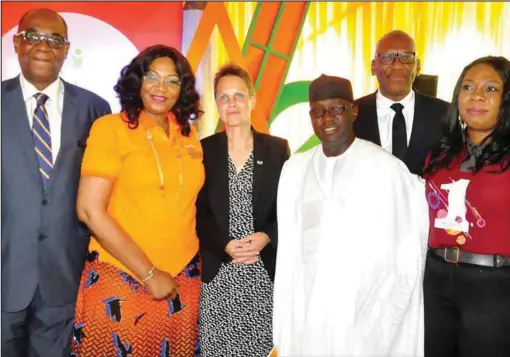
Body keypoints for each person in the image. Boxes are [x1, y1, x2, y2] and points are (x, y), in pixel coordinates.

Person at [273, 74, 429, 356]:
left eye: (337, 109)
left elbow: (407, 251)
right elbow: (289, 255)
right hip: (310, 311)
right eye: (318, 111)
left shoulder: (385, 169)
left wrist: (382, 321)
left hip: (365, 314)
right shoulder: (296, 170)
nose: (327, 118)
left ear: (353, 111)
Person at [71, 45, 204, 357]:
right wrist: (148, 273)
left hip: (182, 281)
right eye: (152, 77)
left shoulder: (188, 134)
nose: (161, 88)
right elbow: (89, 210)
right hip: (122, 277)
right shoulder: (110, 128)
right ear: (137, 81)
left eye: (173, 81)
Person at [1, 8, 111, 357]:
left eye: (54, 40)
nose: (43, 47)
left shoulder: (95, 109)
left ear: (66, 50)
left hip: (65, 274)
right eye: (33, 36)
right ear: (17, 43)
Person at [196, 63, 290, 357]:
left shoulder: (277, 149)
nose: (231, 103)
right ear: (217, 104)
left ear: (252, 99)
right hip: (220, 272)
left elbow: (290, 207)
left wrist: (267, 237)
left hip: (262, 273)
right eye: (224, 97)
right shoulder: (203, 150)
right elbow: (200, 213)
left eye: (238, 95)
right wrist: (225, 246)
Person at [422, 56, 510, 357]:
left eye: (491, 89)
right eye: (468, 87)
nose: (477, 96)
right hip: (435, 279)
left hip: (494, 288)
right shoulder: (440, 154)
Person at [354, 30, 449, 175]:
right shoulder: (351, 114)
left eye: (406, 57)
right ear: (373, 66)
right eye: (387, 57)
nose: (397, 65)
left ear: (417, 66)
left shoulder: (444, 113)